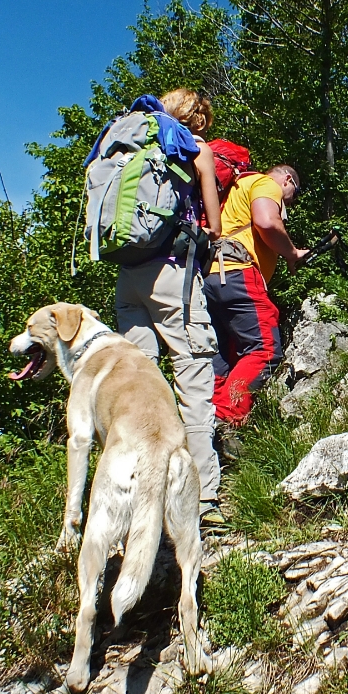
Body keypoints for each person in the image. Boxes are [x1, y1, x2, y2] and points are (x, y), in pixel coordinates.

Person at [114, 89, 225, 527]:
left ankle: (138, 497)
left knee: (139, 388)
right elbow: (215, 224)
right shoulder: (195, 147)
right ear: (195, 117)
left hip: (127, 276)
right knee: (193, 378)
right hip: (171, 275)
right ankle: (203, 500)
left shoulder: (134, 140)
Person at [203, 163, 309, 428]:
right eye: (292, 197)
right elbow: (266, 221)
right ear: (287, 180)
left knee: (221, 357)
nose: (289, 205)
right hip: (237, 274)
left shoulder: (233, 190)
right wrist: (292, 253)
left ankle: (204, 424)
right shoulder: (265, 183)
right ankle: (225, 418)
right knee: (265, 350)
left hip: (208, 277)